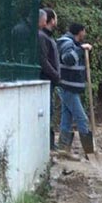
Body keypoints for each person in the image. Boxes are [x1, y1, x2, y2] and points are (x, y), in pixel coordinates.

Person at [55, 22, 94, 160]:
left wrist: (83, 50)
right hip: (68, 87)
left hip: (69, 87)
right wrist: (80, 49)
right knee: (82, 119)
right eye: (84, 31)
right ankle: (90, 153)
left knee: (67, 119)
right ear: (80, 32)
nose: (85, 34)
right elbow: (68, 59)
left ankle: (63, 149)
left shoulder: (73, 43)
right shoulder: (67, 43)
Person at [37, 9, 61, 150]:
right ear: (51, 20)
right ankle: (48, 145)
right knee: (47, 112)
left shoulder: (49, 37)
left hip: (50, 80)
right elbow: (44, 61)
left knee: (50, 112)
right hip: (47, 80)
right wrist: (56, 75)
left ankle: (51, 144)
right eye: (55, 18)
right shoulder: (42, 37)